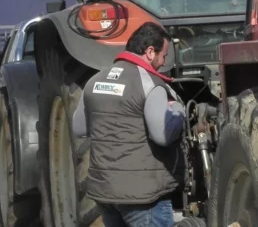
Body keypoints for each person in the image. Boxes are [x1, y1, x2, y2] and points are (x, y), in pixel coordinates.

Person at [72, 21, 185, 227]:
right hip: (142, 198)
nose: (163, 62)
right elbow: (162, 134)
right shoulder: (150, 83)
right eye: (163, 56)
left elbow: (79, 128)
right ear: (150, 52)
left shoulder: (95, 81)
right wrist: (178, 111)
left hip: (106, 194)